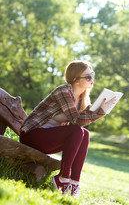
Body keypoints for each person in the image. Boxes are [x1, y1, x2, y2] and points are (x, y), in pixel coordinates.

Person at [20, 60, 115, 196]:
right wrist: (101, 111)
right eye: (88, 77)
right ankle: (62, 178)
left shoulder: (82, 99)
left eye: (92, 75)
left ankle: (74, 182)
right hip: (31, 135)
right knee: (77, 130)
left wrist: (100, 109)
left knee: (85, 134)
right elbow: (76, 121)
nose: (91, 79)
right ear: (75, 80)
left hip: (47, 139)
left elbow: (79, 124)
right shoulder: (64, 91)